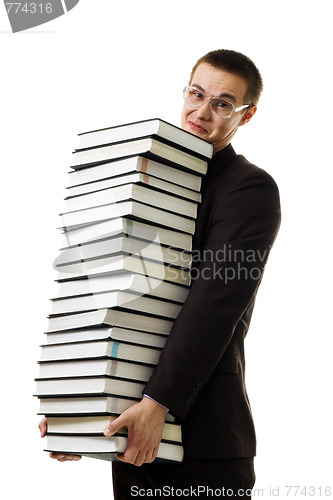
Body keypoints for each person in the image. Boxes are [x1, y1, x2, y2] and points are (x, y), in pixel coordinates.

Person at [39, 49, 281, 498]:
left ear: (245, 116)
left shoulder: (249, 188)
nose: (202, 112)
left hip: (204, 442)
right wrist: (81, 413)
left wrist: (159, 404)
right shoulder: (149, 178)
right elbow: (115, 297)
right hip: (131, 436)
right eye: (196, 94)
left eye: (223, 103)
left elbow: (213, 302)